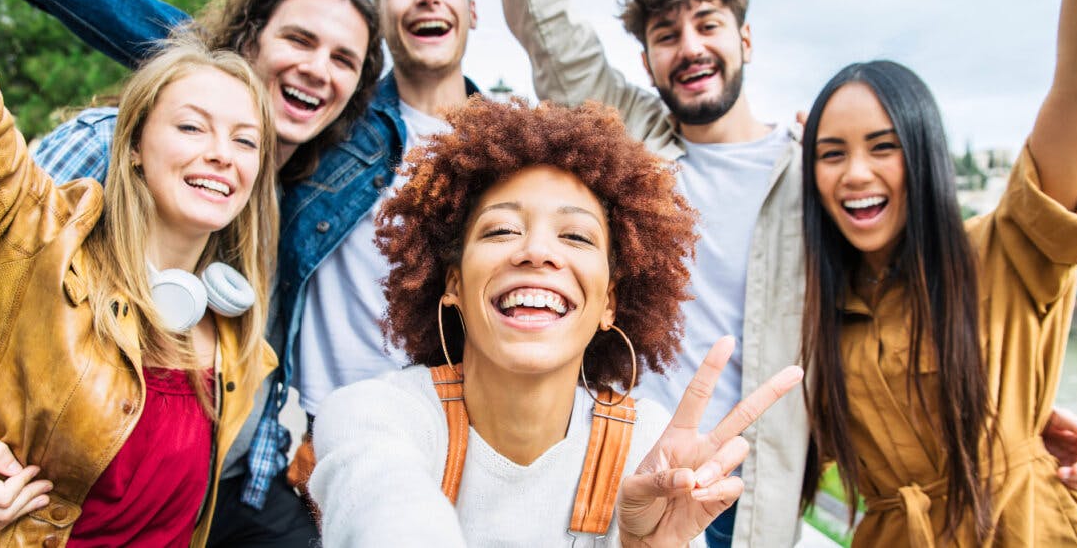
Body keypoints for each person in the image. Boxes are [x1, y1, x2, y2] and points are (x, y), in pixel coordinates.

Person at [488, 0, 1077, 545]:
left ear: (747, 40)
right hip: (624, 466)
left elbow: (910, 295)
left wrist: (1013, 411)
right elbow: (552, 36)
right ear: (647, 61)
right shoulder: (630, 147)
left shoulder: (815, 180)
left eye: (708, 25)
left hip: (755, 487)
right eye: (665, 35)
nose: (689, 47)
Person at [0, 0, 488, 491]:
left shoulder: (506, 142)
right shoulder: (351, 128)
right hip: (292, 450)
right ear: (383, 16)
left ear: (472, 8)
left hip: (437, 432)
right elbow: (176, 44)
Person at [0, 0, 281, 543]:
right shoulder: (29, 237)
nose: (223, 153)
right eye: (192, 127)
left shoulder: (235, 341)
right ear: (135, 145)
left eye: (244, 140)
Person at [307, 97, 803, 546]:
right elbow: (384, 508)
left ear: (610, 302)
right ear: (452, 284)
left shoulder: (651, 452)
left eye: (577, 237)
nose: (538, 251)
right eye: (502, 229)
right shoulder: (374, 416)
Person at [798, 0, 1077, 544]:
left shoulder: (1007, 251)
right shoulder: (819, 312)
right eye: (831, 153)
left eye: (883, 146)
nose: (855, 173)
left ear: (922, 152)